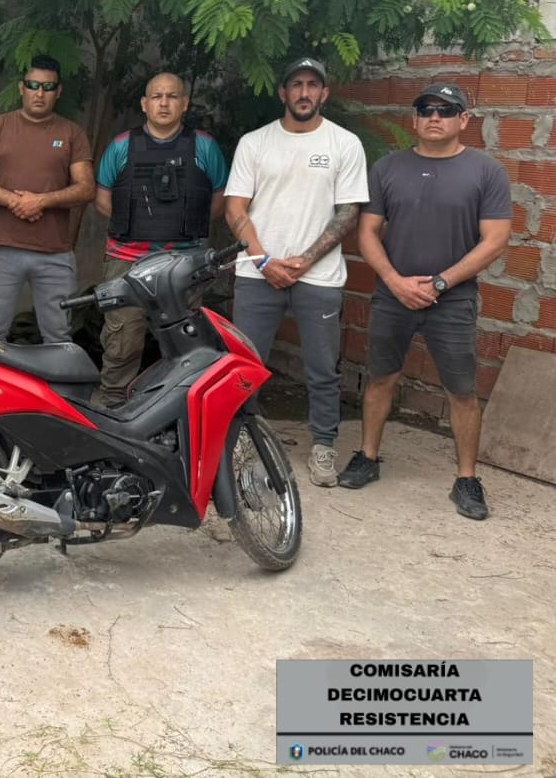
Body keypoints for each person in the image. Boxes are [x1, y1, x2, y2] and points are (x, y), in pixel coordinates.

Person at [339, 83, 510, 519]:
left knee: (462, 391)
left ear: (463, 120)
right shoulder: (388, 168)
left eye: (446, 110)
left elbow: (495, 240)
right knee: (381, 377)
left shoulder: (486, 171)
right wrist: (394, 281)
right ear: (414, 119)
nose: (435, 117)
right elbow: (366, 232)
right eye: (426, 110)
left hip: (452, 299)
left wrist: (439, 284)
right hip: (393, 295)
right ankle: (368, 456)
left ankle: (467, 479)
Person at [224, 58, 369, 487]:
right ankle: (241, 444)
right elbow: (235, 208)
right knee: (245, 366)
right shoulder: (255, 143)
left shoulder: (345, 144)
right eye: (296, 85)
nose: (304, 92)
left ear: (324, 93)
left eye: (313, 85)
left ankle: (323, 446)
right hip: (257, 274)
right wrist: (263, 260)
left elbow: (348, 213)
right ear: (283, 93)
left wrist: (304, 260)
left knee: (323, 369)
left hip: (319, 277)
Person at [93, 72, 229, 407]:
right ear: (145, 104)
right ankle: (112, 408)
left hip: (184, 264)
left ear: (185, 103)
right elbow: (103, 199)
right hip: (127, 260)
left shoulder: (205, 147)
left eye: (172, 96)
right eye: (156, 96)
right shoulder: (121, 145)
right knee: (122, 343)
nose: (164, 103)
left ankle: (179, 410)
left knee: (187, 346)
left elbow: (218, 201)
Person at [0, 56, 94, 343]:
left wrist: (41, 201)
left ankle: (56, 377)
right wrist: (14, 200)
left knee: (58, 337)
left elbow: (86, 188)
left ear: (58, 91)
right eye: (33, 85)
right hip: (1, 250)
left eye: (48, 87)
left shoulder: (72, 133)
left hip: (55, 254)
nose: (39, 93)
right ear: (22, 88)